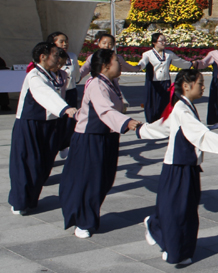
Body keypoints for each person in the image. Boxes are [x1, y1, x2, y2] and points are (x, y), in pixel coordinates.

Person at [140, 69, 218, 265]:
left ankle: (175, 244)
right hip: (176, 168)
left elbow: (164, 125)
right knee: (177, 213)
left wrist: (141, 129)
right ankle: (169, 243)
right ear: (186, 86)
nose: (203, 86)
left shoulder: (185, 107)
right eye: (200, 83)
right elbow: (201, 135)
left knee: (186, 212)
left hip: (189, 168)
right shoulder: (182, 110)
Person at [59, 50, 143, 238]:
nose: (119, 64)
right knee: (89, 181)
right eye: (116, 61)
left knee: (104, 180)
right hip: (90, 138)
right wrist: (127, 122)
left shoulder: (111, 82)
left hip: (107, 137)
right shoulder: (97, 84)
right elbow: (105, 111)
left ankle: (88, 214)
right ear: (105, 65)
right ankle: (83, 221)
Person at [9, 43, 77, 215]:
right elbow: (44, 94)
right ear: (43, 57)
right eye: (55, 55)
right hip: (30, 124)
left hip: (52, 124)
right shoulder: (35, 75)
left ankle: (30, 199)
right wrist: (65, 109)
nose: (58, 58)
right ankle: (19, 201)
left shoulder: (59, 75)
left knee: (44, 164)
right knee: (26, 164)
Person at [137, 33, 193, 123]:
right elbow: (143, 62)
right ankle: (152, 123)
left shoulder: (169, 54)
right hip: (153, 84)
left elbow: (179, 62)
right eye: (161, 41)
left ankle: (163, 123)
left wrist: (191, 64)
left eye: (165, 41)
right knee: (152, 104)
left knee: (164, 104)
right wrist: (138, 67)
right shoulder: (147, 54)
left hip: (165, 82)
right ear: (154, 42)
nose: (163, 43)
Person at [48, 32, 80, 159]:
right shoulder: (49, 58)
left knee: (69, 122)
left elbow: (77, 76)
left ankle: (65, 145)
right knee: (55, 121)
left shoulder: (72, 57)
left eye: (66, 41)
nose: (64, 44)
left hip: (70, 92)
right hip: (55, 93)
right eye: (61, 41)